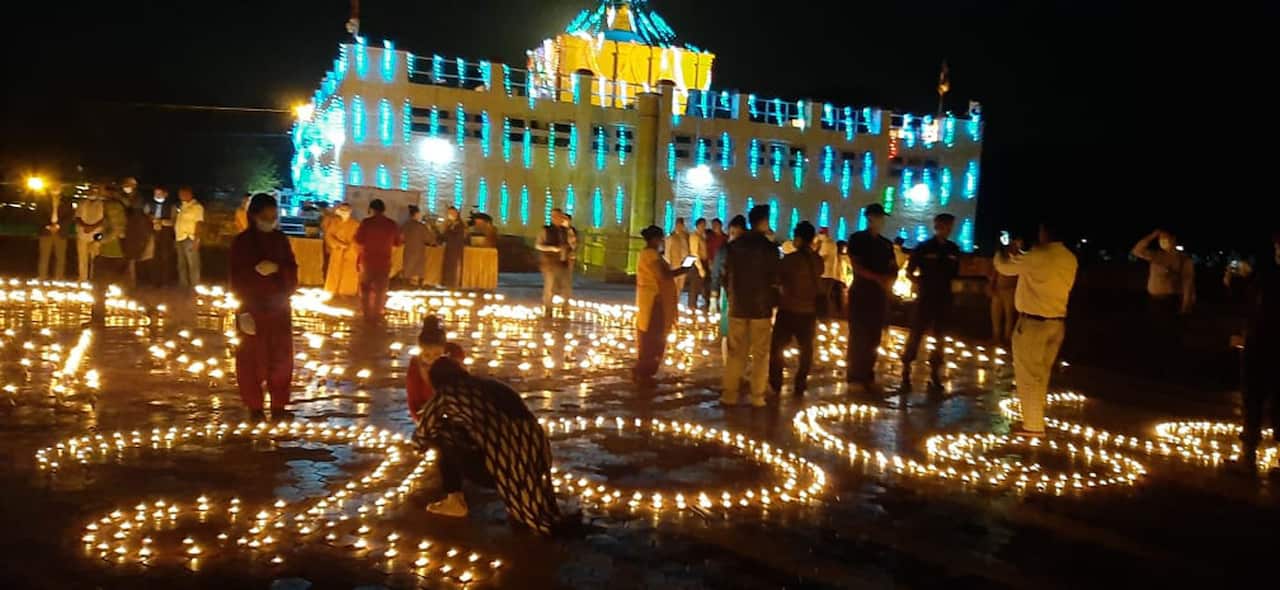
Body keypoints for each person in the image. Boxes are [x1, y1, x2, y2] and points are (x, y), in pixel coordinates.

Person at [411, 322, 562, 534]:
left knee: (444, 432)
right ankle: (521, 494)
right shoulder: (492, 384)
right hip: (540, 461)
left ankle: (454, 500)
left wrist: (422, 445)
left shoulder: (446, 394)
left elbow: (422, 436)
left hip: (502, 468)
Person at [993, 220, 1078, 438]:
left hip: (1033, 323)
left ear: (1045, 233)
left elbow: (1005, 267)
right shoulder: (1069, 258)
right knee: (1041, 374)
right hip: (1057, 323)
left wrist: (1005, 250)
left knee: (1028, 375)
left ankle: (1032, 425)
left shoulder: (1039, 254)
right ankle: (1035, 419)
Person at [230, 194, 299, 422]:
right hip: (253, 310)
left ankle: (279, 406)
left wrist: (278, 269)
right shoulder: (242, 243)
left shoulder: (280, 240)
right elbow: (236, 279)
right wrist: (243, 312)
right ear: (253, 216)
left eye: (273, 216)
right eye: (265, 216)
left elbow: (292, 271)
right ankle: (255, 407)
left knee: (281, 361)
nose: (270, 220)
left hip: (278, 310)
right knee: (251, 361)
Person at [1231, 227, 1280, 471]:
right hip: (1256, 342)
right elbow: (1250, 304)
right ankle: (1247, 454)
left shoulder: (1268, 276)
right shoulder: (1264, 274)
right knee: (1252, 397)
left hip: (1272, 344)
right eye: (1277, 247)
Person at [721, 205, 780, 407]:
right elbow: (775, 279)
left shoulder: (734, 246)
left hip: (737, 306)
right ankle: (757, 396)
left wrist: (731, 295)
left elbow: (724, 274)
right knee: (761, 354)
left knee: (736, 351)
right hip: (761, 309)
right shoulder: (770, 249)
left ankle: (730, 393)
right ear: (763, 222)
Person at [900, 214, 961, 392]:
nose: (947, 229)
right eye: (944, 225)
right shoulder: (924, 247)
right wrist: (920, 283)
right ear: (936, 226)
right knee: (916, 334)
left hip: (944, 300)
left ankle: (935, 374)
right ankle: (906, 372)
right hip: (925, 299)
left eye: (950, 226)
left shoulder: (953, 249)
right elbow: (910, 271)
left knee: (939, 338)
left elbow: (955, 274)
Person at [846, 204, 898, 396]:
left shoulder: (885, 244)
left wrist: (890, 280)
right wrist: (878, 278)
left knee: (874, 336)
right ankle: (854, 376)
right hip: (861, 293)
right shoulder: (857, 239)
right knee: (859, 336)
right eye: (877, 217)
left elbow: (894, 267)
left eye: (882, 218)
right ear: (869, 218)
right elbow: (856, 266)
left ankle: (868, 373)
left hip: (879, 295)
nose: (880, 221)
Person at [769, 221, 823, 396]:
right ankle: (800, 382)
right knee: (806, 349)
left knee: (777, 347)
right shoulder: (817, 260)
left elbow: (777, 279)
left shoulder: (790, 260)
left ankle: (776, 382)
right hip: (809, 311)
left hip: (789, 309)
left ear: (798, 239)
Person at [634, 225, 691, 385]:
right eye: (660, 238)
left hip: (654, 301)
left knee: (652, 337)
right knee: (653, 338)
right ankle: (643, 371)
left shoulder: (652, 254)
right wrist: (682, 270)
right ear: (654, 239)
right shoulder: (650, 254)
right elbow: (662, 274)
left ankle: (645, 371)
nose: (662, 242)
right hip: (654, 303)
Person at [354, 198, 403, 323]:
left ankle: (366, 314)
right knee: (381, 289)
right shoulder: (392, 224)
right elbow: (398, 243)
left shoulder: (366, 223)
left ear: (371, 209)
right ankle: (377, 314)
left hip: (368, 260)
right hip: (384, 261)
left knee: (365, 288)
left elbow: (358, 240)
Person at [407, 316, 466, 418]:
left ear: (445, 351)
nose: (432, 360)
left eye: (437, 354)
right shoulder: (416, 367)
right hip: (427, 417)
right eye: (427, 355)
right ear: (421, 353)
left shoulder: (453, 364)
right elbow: (413, 403)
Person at [89, 188, 131, 324]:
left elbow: (117, 229)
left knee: (99, 286)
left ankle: (98, 318)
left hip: (112, 252)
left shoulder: (112, 206)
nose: (98, 192)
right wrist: (98, 237)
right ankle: (97, 317)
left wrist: (100, 241)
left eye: (100, 189)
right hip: (116, 252)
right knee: (119, 286)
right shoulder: (117, 205)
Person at [710, 215, 747, 360]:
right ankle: (730, 363)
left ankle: (733, 364)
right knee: (728, 330)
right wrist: (714, 295)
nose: (733, 237)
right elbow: (716, 272)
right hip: (729, 294)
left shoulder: (729, 249)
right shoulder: (725, 249)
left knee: (736, 332)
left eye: (735, 233)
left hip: (739, 295)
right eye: (731, 233)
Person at [536, 208, 574, 317]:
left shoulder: (566, 230)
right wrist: (553, 248)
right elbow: (538, 245)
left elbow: (573, 244)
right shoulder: (546, 230)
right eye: (554, 216)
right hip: (550, 262)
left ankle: (565, 307)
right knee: (550, 286)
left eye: (559, 216)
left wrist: (568, 229)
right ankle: (548, 309)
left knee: (566, 286)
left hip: (564, 261)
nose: (557, 218)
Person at [140, 186, 177, 287]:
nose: (157, 195)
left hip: (165, 234)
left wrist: (162, 222)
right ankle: (153, 280)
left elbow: (174, 221)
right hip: (152, 233)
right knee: (152, 257)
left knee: (165, 257)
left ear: (165, 194)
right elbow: (143, 217)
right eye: (155, 193)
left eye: (159, 193)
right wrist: (150, 220)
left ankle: (165, 280)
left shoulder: (171, 206)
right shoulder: (149, 204)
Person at [36, 182, 72, 281]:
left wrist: (59, 225)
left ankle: (59, 277)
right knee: (44, 255)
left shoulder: (67, 200)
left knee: (60, 256)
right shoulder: (43, 199)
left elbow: (69, 216)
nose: (55, 187)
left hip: (61, 231)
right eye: (53, 186)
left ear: (61, 188)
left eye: (57, 186)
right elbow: (38, 214)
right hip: (46, 231)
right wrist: (48, 225)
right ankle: (42, 276)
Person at [323, 203, 360, 296]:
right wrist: (338, 244)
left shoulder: (355, 224)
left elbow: (358, 239)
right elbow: (328, 236)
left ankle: (347, 292)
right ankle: (332, 291)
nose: (343, 212)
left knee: (348, 274)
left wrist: (349, 247)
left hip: (350, 253)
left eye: (345, 210)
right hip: (337, 251)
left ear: (350, 211)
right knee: (334, 272)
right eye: (342, 210)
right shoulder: (334, 222)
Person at [988, 240, 1020, 345]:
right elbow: (995, 272)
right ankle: (996, 337)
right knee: (995, 315)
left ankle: (1007, 338)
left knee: (1009, 315)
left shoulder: (1020, 260)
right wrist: (992, 285)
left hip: (1011, 291)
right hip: (998, 289)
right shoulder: (1002, 258)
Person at [173, 186, 204, 289]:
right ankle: (183, 284)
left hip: (189, 238)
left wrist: (196, 239)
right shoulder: (181, 206)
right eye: (180, 194)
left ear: (189, 194)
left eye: (183, 194)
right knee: (181, 263)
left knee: (193, 263)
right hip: (179, 237)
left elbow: (199, 223)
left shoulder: (197, 207)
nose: (181, 196)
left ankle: (195, 285)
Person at [74, 187, 106, 281]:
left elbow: (104, 219)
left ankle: (94, 278)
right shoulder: (82, 203)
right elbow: (77, 217)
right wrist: (85, 226)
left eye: (95, 191)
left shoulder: (102, 204)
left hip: (96, 235)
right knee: (82, 258)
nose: (92, 193)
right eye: (91, 191)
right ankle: (82, 277)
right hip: (82, 234)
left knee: (95, 258)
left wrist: (92, 227)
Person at [814, 227, 844, 318]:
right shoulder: (829, 243)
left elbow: (821, 258)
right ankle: (824, 314)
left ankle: (824, 315)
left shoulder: (827, 244)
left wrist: (816, 249)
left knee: (823, 295)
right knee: (824, 295)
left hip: (825, 274)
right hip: (826, 274)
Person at [400, 205, 431, 288]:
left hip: (408, 252)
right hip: (419, 253)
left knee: (407, 273)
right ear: (416, 214)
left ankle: (405, 289)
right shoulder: (421, 226)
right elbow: (429, 239)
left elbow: (400, 238)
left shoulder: (405, 225)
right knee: (419, 273)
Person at [665, 217, 692, 299]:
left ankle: (676, 301)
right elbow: (667, 252)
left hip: (684, 264)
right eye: (678, 225)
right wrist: (668, 264)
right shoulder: (671, 237)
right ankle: (672, 301)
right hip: (675, 264)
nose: (680, 226)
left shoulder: (686, 236)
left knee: (681, 286)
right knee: (674, 285)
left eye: (681, 225)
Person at [440, 206, 467, 288]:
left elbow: (457, 237)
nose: (449, 215)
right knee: (448, 268)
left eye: (451, 213)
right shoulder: (449, 224)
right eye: (448, 213)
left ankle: (453, 285)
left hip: (455, 250)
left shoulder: (459, 225)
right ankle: (446, 283)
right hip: (449, 249)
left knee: (454, 269)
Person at [705, 218, 727, 312]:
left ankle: (722, 303)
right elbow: (708, 250)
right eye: (713, 226)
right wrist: (710, 261)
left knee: (723, 282)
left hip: (723, 264)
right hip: (714, 263)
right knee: (714, 282)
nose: (714, 228)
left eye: (716, 225)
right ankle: (712, 304)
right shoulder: (710, 238)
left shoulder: (725, 238)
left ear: (720, 226)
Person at [686, 218, 709, 309]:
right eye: (702, 225)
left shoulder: (702, 236)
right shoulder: (694, 236)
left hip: (702, 262)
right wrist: (700, 268)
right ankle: (692, 306)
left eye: (704, 225)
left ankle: (694, 305)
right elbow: (694, 253)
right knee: (694, 286)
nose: (704, 227)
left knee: (698, 285)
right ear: (698, 225)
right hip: (696, 264)